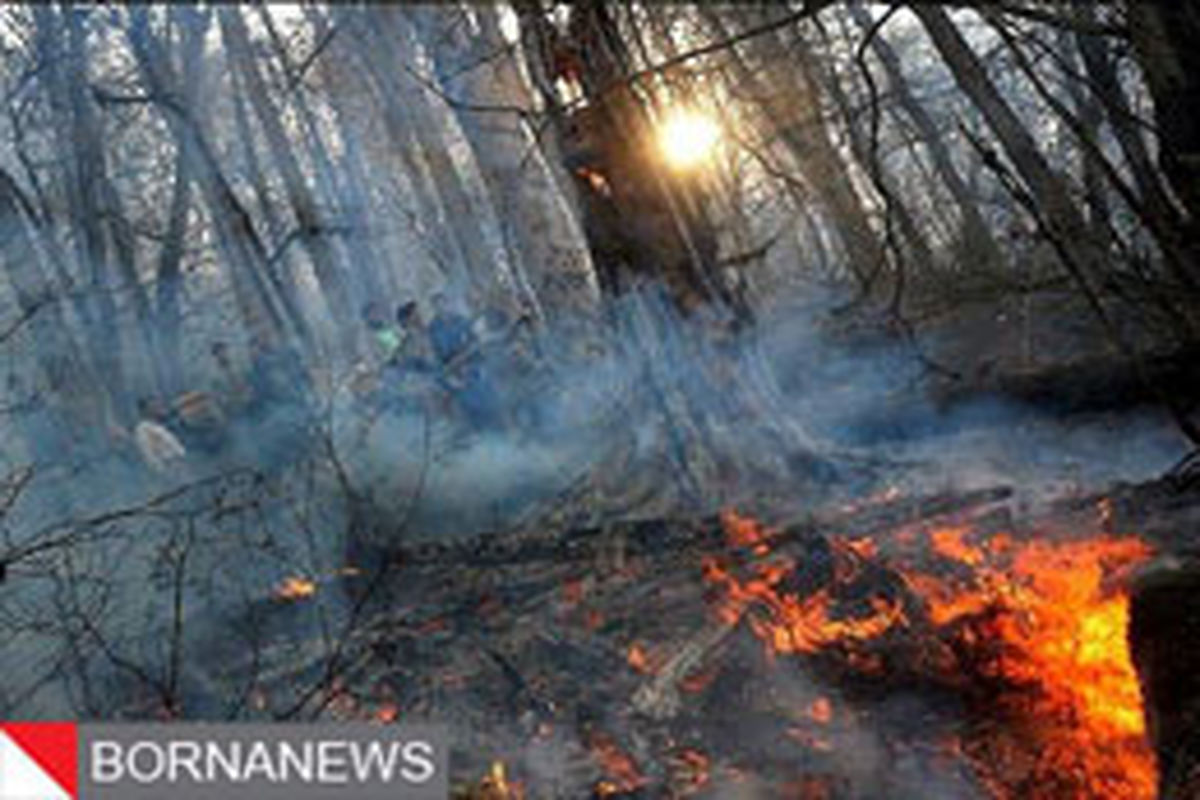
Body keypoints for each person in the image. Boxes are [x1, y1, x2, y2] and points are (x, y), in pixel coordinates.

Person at [133, 397, 188, 474]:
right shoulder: (143, 430)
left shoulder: (159, 426)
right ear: (145, 410)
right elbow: (148, 455)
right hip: (170, 470)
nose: (159, 409)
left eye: (159, 406)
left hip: (179, 466)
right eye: (155, 407)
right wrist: (163, 471)